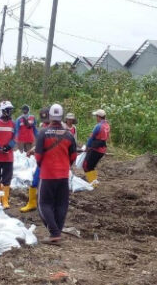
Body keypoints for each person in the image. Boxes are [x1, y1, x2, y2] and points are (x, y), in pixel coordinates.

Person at [35, 104, 77, 245]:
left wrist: (43, 166)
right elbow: (73, 156)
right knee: (61, 204)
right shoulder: (69, 135)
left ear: (50, 116)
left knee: (44, 204)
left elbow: (38, 156)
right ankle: (57, 231)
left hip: (47, 174)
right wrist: (65, 166)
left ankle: (54, 233)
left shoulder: (43, 133)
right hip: (63, 175)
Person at [20, 106, 51, 213]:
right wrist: (33, 150)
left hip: (50, 161)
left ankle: (47, 204)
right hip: (43, 161)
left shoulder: (57, 129)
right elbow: (40, 143)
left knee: (46, 183)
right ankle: (32, 203)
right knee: (35, 180)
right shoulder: (44, 127)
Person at [84, 109, 111, 185]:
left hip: (96, 149)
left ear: (99, 117)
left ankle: (93, 182)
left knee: (86, 166)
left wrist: (87, 147)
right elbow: (107, 138)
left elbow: (91, 138)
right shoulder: (107, 125)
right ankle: (94, 181)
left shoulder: (98, 126)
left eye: (96, 116)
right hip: (102, 150)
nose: (96, 118)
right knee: (91, 166)